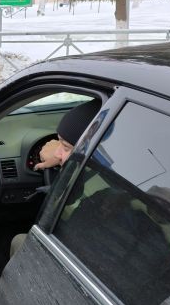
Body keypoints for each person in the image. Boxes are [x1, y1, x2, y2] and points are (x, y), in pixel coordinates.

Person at [9, 98, 101, 258]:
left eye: (65, 146)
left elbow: (69, 198)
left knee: (18, 240)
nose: (57, 154)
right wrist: (64, 156)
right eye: (58, 142)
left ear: (91, 150)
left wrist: (65, 166)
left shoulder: (99, 192)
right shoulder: (109, 175)